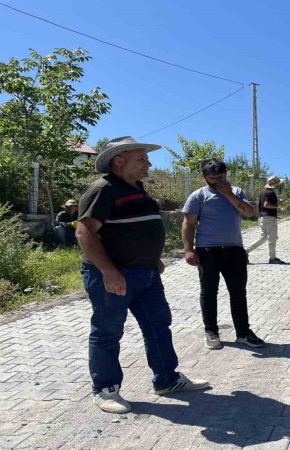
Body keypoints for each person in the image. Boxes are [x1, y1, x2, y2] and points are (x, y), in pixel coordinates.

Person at [76, 136, 209, 414]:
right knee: (108, 332)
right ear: (119, 160)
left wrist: (152, 258)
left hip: (146, 273)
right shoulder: (103, 189)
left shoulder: (138, 188)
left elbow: (137, 228)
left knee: (158, 325)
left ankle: (167, 380)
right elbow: (85, 233)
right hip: (115, 275)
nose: (149, 163)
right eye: (142, 158)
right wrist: (109, 272)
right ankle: (105, 389)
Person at [182, 158, 266, 350]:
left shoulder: (237, 192)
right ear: (204, 176)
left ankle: (243, 333)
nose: (218, 181)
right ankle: (211, 331)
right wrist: (188, 250)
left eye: (221, 177)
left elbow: (249, 213)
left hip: (234, 250)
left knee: (238, 293)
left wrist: (228, 194)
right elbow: (188, 223)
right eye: (213, 178)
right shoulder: (198, 196)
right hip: (207, 251)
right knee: (209, 292)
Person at [245, 175, 285, 264]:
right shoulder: (271, 193)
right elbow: (266, 205)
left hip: (263, 217)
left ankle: (245, 251)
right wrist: (278, 206)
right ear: (275, 184)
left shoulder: (263, 192)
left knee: (263, 238)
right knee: (272, 238)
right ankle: (272, 258)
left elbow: (262, 206)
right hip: (269, 218)